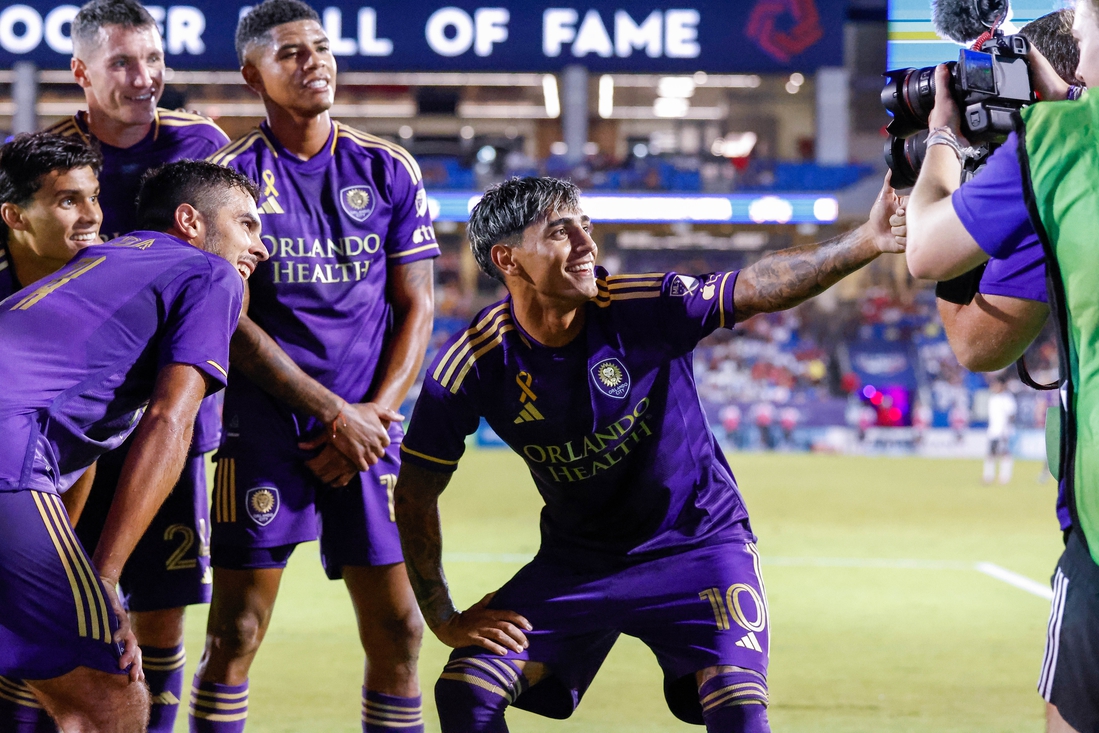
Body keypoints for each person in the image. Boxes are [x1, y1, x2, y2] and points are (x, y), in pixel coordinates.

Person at [394, 175, 904, 733]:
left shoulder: (644, 305)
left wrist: (867, 240)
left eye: (585, 226)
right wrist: (442, 616)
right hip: (579, 562)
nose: (587, 244)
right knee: (465, 692)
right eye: (561, 232)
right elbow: (415, 490)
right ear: (507, 259)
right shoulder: (473, 363)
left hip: (699, 543)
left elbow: (755, 286)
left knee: (738, 710)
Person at [191, 2, 437, 731]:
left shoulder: (387, 167)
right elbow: (227, 320)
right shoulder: (228, 180)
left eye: (321, 48)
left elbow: (417, 305)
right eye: (291, 53)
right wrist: (333, 414)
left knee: (400, 630)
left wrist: (373, 418)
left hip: (371, 433)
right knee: (235, 632)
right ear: (253, 75)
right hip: (265, 431)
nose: (314, 62)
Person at [0, 158, 267, 733]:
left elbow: (77, 452)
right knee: (107, 692)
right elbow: (171, 419)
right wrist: (104, 579)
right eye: (247, 224)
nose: (260, 247)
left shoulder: (98, 264)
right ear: (190, 221)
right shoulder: (209, 272)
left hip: (19, 448)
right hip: (9, 444)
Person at [39, 2, 237, 730]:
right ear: (81, 72)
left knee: (161, 611)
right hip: (70, 419)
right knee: (49, 604)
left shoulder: (204, 145)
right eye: (122, 62)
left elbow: (231, 271)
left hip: (172, 406)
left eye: (152, 59)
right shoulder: (45, 156)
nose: (144, 77)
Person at [905, 2, 1099, 729]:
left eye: (1085, 31)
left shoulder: (1061, 147)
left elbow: (973, 338)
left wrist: (942, 145)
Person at [0, 132, 104, 732]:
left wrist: (60, 550)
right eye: (68, 201)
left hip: (51, 487)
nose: (91, 216)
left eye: (94, 197)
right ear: (14, 216)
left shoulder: (109, 282)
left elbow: (84, 437)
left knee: (93, 656)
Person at [984, 380, 1018, 485]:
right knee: (991, 453)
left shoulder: (1007, 398)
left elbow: (1012, 414)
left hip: (1004, 431)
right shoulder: (992, 398)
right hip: (993, 430)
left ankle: (1005, 477)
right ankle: (988, 476)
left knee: (1005, 453)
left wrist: (1006, 427)